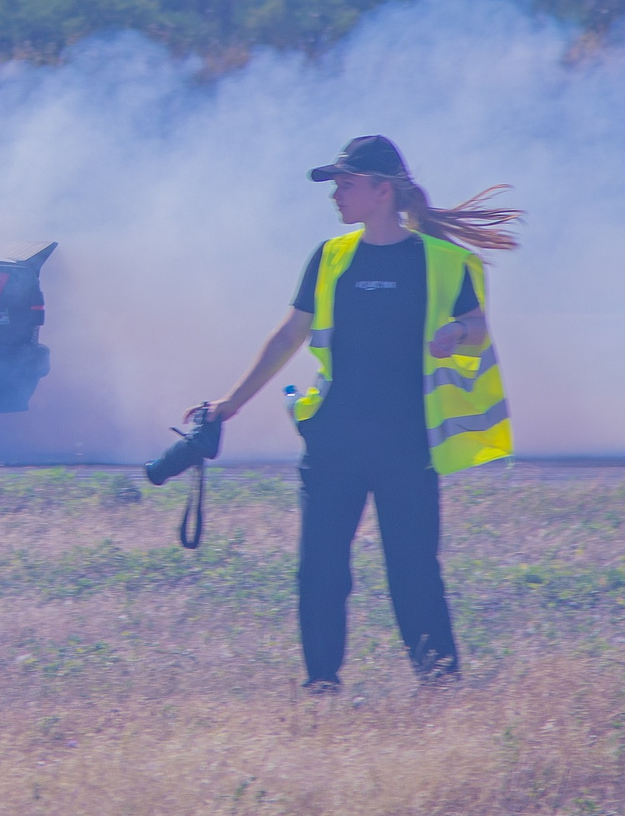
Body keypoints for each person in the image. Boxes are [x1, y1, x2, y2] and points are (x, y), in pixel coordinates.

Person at [211, 136, 519, 693]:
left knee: (414, 573)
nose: (335, 195)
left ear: (382, 190)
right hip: (333, 442)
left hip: (408, 445)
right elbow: (288, 335)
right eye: (335, 184)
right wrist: (230, 403)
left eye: (345, 184)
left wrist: (457, 331)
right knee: (319, 574)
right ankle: (322, 687)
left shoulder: (447, 261)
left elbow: (478, 328)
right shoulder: (330, 257)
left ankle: (441, 688)